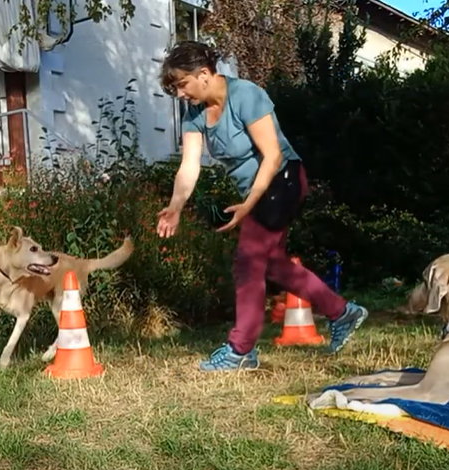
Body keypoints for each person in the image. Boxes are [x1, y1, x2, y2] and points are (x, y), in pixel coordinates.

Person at [155, 40, 368, 372]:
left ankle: (241, 350)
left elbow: (273, 156)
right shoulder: (194, 114)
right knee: (274, 265)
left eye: (183, 84)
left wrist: (247, 205)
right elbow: (189, 165)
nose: (181, 94)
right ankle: (343, 312)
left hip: (282, 180)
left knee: (248, 261)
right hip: (258, 193)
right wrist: (175, 206)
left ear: (205, 74)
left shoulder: (246, 96)